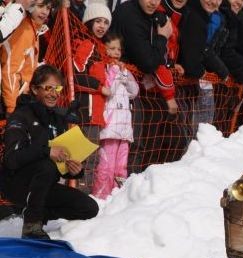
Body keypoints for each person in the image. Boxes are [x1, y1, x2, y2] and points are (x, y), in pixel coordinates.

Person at [0, 65, 99, 239]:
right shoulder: (20, 116)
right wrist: (47, 151)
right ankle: (31, 224)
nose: (54, 93)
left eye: (57, 88)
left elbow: (58, 164)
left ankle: (36, 212)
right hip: (15, 184)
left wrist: (74, 170)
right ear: (34, 89)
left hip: (43, 185)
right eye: (48, 88)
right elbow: (12, 160)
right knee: (46, 165)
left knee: (89, 208)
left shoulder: (58, 119)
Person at [92, 32, 139, 199]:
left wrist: (125, 76)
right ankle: (101, 196)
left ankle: (118, 197)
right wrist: (116, 73)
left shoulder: (123, 70)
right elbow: (109, 90)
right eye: (112, 48)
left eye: (118, 48)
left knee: (121, 165)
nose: (116, 52)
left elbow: (134, 92)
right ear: (104, 49)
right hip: (110, 126)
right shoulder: (104, 69)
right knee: (106, 165)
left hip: (124, 128)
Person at [73, 0, 113, 192]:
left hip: (95, 114)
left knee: (91, 157)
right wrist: (99, 87)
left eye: (106, 22)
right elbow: (75, 76)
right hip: (85, 112)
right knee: (83, 157)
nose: (102, 26)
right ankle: (78, 196)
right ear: (88, 22)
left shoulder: (100, 48)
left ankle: (82, 196)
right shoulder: (87, 44)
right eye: (98, 21)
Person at [0, 0, 51, 115]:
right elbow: (10, 70)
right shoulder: (24, 30)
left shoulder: (34, 29)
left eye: (48, 8)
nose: (45, 12)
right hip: (15, 101)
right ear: (30, 5)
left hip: (23, 98)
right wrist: (11, 108)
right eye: (40, 6)